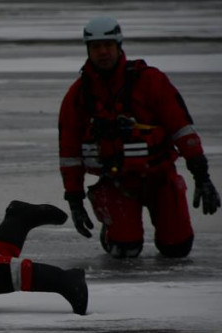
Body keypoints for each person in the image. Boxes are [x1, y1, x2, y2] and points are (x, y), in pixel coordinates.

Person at [58, 16, 219, 258]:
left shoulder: (151, 81)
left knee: (177, 248)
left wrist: (202, 175)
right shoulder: (78, 96)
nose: (103, 52)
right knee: (125, 251)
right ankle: (113, 231)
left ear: (119, 46)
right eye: (96, 47)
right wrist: (74, 199)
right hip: (116, 183)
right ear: (88, 50)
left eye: (108, 45)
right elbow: (69, 152)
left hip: (160, 178)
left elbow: (182, 128)